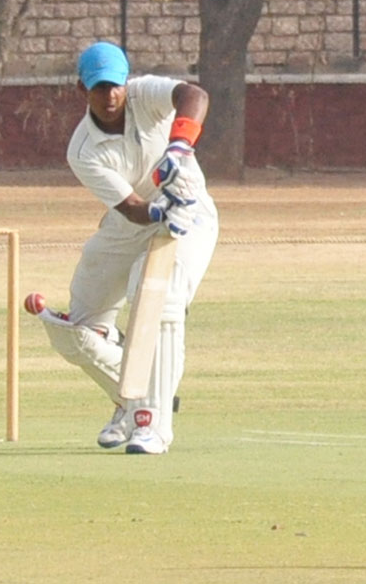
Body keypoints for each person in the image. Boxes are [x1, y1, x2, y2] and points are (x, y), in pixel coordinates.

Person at [36, 42, 219, 454]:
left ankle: (154, 424)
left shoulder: (144, 93)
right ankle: (128, 399)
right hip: (134, 221)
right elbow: (132, 209)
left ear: (126, 81)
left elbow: (194, 96)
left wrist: (179, 145)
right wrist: (158, 212)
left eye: (116, 85)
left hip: (193, 216)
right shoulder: (82, 149)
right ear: (82, 89)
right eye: (100, 88)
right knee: (78, 331)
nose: (110, 96)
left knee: (160, 298)